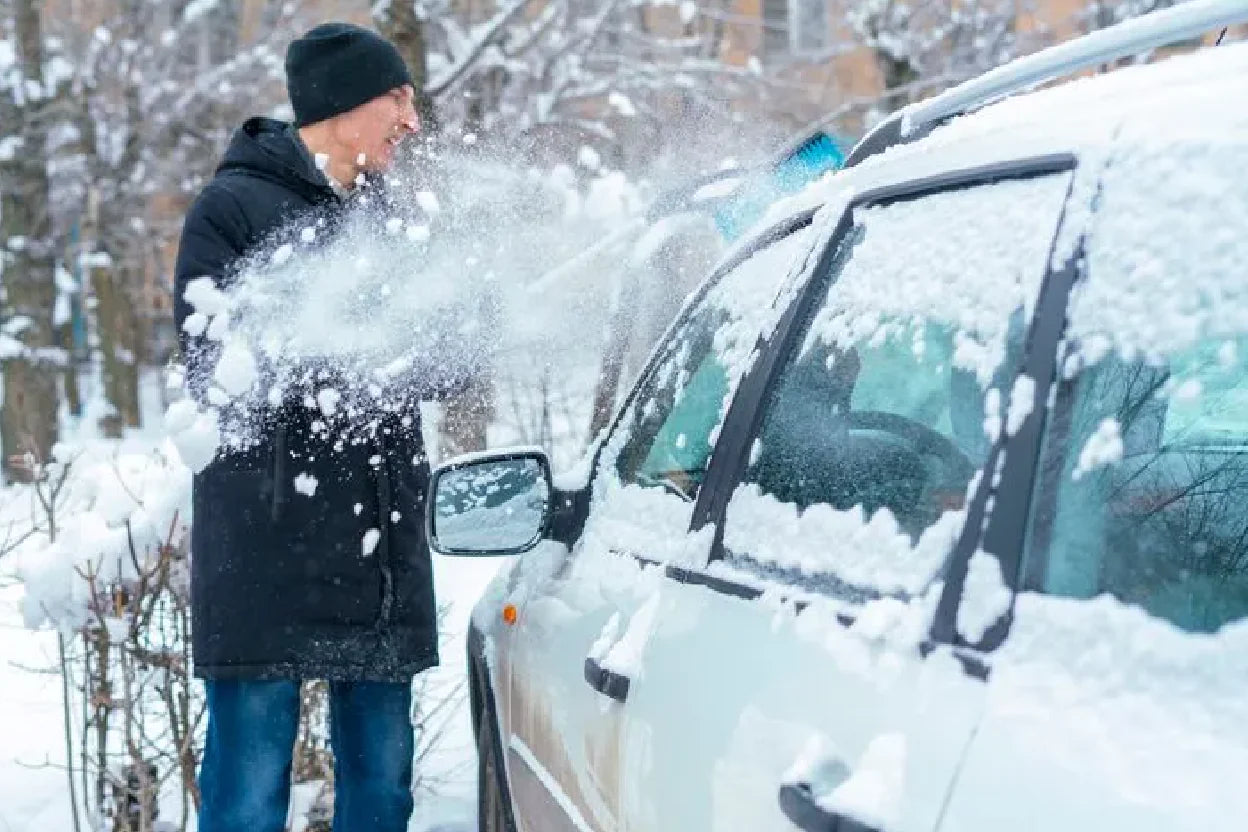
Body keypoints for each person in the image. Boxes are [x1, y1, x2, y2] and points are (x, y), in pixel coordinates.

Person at [173, 22, 437, 832]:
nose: (412, 121)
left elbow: (434, 364)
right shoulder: (231, 210)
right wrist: (356, 355)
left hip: (377, 553)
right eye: (398, 97)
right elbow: (212, 373)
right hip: (267, 550)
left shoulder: (395, 219)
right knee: (249, 796)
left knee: (383, 790)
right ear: (345, 103)